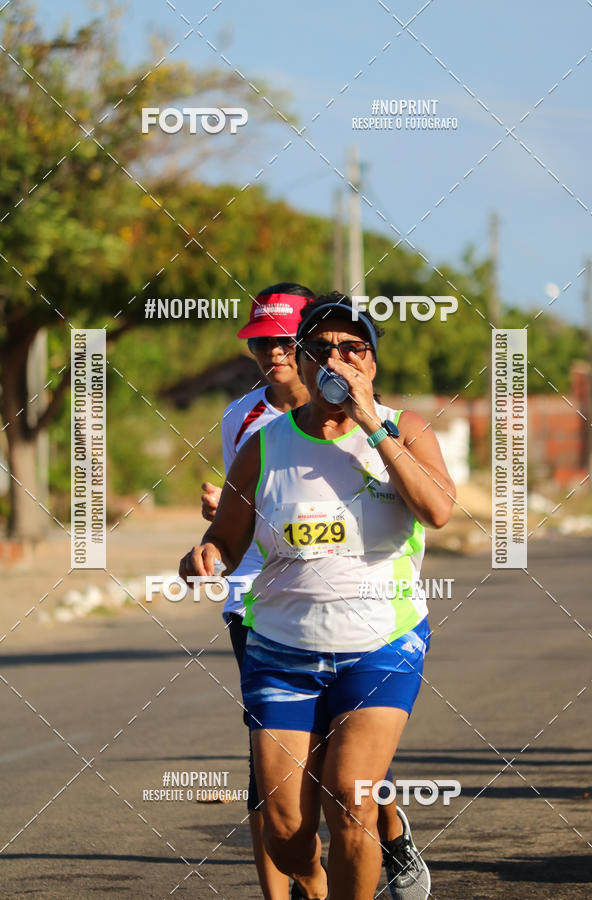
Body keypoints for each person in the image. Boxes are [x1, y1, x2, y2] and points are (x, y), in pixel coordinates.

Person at [183, 292, 455, 900]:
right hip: (280, 645)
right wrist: (207, 556)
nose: (335, 358)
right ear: (302, 364)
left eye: (351, 348)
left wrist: (371, 423)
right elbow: (225, 537)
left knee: (351, 801)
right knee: (285, 828)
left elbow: (438, 510)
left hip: (380, 646)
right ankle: (312, 883)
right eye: (320, 348)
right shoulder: (264, 443)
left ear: (371, 364)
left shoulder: (406, 430)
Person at [202, 282, 315, 900]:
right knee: (268, 760)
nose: (273, 353)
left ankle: (387, 833)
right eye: (262, 343)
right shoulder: (241, 417)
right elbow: (235, 518)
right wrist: (218, 521)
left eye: (286, 341)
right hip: (253, 598)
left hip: (340, 601)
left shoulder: (349, 413)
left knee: (335, 758)